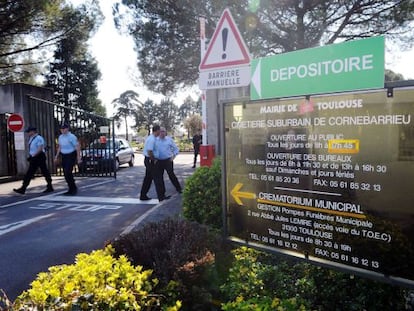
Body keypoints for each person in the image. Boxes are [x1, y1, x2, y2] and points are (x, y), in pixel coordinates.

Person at [13, 126, 54, 194]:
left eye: (29, 131)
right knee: (30, 173)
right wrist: (31, 156)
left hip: (39, 156)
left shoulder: (38, 138)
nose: (28, 133)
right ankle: (23, 188)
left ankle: (50, 186)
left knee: (44, 171)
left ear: (33, 131)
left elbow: (40, 148)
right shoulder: (31, 138)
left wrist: (33, 156)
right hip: (35, 157)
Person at [154, 127, 182, 197]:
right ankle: (162, 194)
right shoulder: (155, 140)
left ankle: (179, 188)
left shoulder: (169, 140)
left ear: (165, 132)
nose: (162, 133)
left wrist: (173, 157)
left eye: (163, 131)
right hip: (158, 161)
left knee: (171, 174)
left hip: (168, 160)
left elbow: (176, 149)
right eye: (160, 132)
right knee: (160, 178)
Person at [54, 123, 81, 195]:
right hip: (64, 155)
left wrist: (78, 157)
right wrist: (56, 156)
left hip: (71, 155)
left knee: (68, 171)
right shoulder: (60, 137)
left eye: (64, 128)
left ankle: (73, 188)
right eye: (61, 129)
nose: (62, 130)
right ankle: (71, 187)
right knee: (66, 173)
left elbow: (77, 147)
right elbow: (59, 147)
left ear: (67, 129)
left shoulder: (72, 137)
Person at [139, 124, 162, 201]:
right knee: (157, 178)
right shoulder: (152, 139)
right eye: (160, 131)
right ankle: (161, 196)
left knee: (148, 179)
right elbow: (149, 151)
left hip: (149, 160)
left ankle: (143, 195)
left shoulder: (153, 138)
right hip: (150, 160)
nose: (160, 132)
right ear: (157, 130)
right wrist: (154, 159)